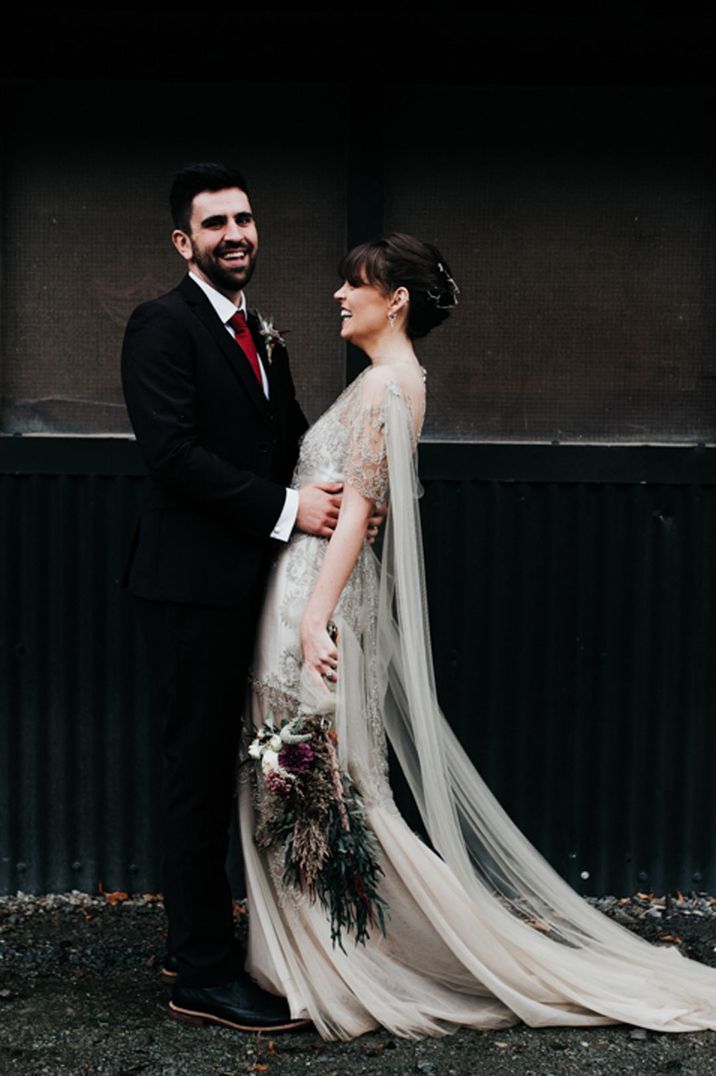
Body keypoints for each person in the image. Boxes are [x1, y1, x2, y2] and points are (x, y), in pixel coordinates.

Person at [234, 232, 716, 1040]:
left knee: (313, 779)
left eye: (355, 284)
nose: (338, 296)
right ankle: (304, 955)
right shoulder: (387, 383)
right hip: (303, 588)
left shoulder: (390, 386)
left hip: (312, 602)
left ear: (398, 302)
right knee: (299, 776)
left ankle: (344, 961)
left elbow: (357, 509)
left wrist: (316, 618)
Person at [121, 163, 365, 1032]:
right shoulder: (160, 326)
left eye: (246, 220)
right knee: (195, 774)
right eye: (216, 223)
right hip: (189, 589)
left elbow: (288, 438)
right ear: (184, 242)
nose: (236, 234)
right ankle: (200, 972)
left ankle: (209, 939)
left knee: (241, 769)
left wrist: (351, 482)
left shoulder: (264, 336)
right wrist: (294, 512)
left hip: (253, 586)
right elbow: (174, 456)